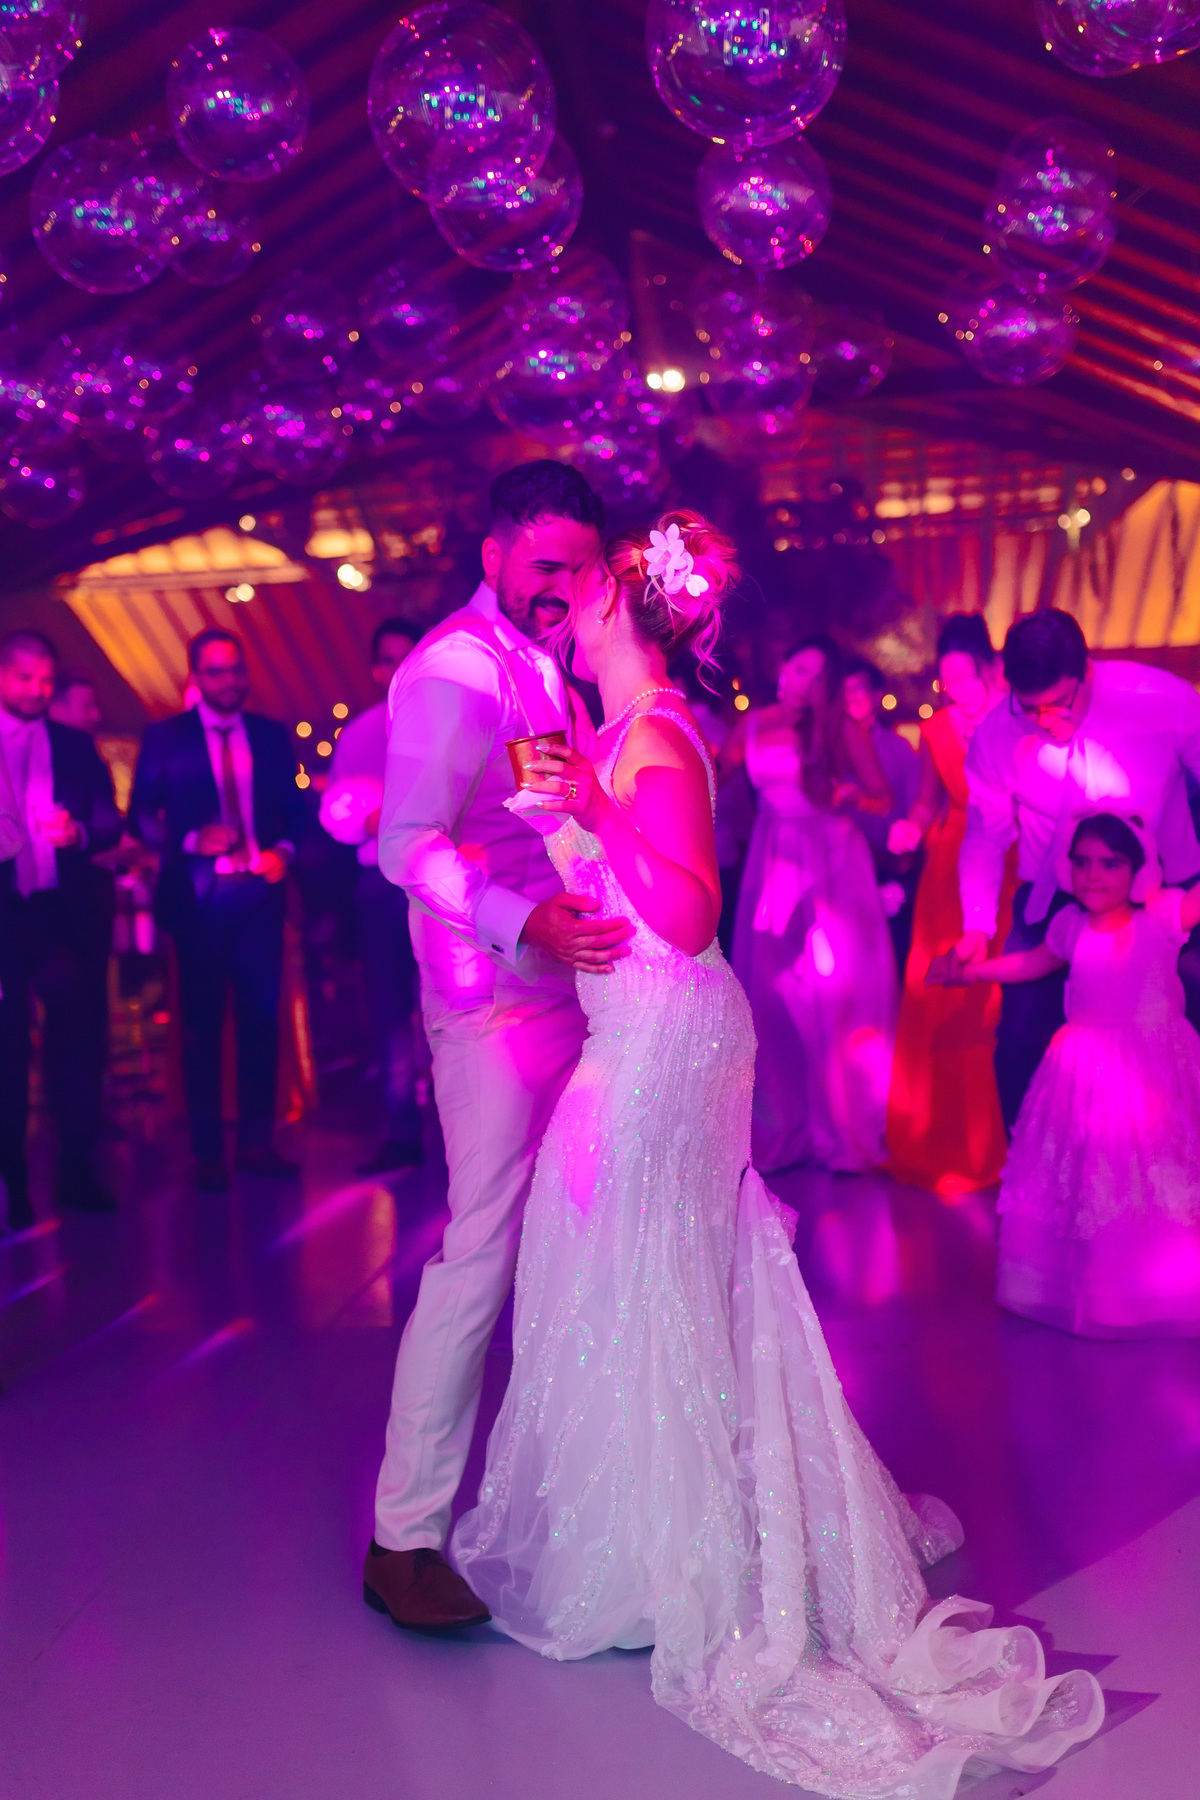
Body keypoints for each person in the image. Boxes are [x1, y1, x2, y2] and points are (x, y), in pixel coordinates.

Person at [451, 510, 1104, 1795]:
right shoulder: (617, 737)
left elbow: (689, 918)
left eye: (585, 601)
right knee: (639, 1272)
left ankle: (677, 1551)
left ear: (626, 620)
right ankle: (646, 1534)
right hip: (640, 1024)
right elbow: (626, 897)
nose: (569, 617)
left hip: (666, 1037)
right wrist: (555, 837)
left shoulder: (661, 741)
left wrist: (588, 808)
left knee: (639, 1267)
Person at [363, 460, 632, 1632]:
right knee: (478, 1254)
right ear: (491, 558)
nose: (560, 590)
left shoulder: (545, 660)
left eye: (578, 569)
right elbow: (401, 842)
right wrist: (524, 923)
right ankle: (402, 1540)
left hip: (571, 984)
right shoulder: (456, 674)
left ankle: (585, 1506)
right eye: (541, 570)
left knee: (589, 1239)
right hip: (490, 1002)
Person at [936, 810, 1200, 1337]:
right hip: (1084, 1072)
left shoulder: (1164, 917)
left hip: (1154, 1070)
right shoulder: (1071, 925)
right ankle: (1090, 1289)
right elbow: (1031, 963)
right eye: (1082, 862)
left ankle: (1161, 1287)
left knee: (1157, 1175)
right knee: (1090, 1179)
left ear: (1140, 871)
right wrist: (971, 972)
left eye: (1109, 863)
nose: (1093, 875)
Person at [957, 608, 1200, 1128]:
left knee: (1181, 1027)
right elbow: (986, 835)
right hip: (1057, 899)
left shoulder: (1161, 699)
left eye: (1059, 704)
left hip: (1167, 895)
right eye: (1030, 708)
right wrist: (976, 925)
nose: (1047, 721)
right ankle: (1033, 1173)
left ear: (1085, 670)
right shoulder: (997, 736)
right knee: (1021, 1034)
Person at [128, 628, 308, 1192]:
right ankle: (207, 1151)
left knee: (260, 1022)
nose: (228, 681)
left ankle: (256, 1142)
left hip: (257, 894)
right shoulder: (167, 737)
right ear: (196, 678)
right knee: (201, 1028)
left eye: (235, 670)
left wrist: (283, 852)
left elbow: (300, 812)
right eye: (215, 672)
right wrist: (185, 841)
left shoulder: (271, 736)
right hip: (199, 903)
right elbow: (139, 816)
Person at [724, 634, 897, 1173]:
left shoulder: (839, 726)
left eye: (815, 676)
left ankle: (845, 1129)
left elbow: (881, 797)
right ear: (784, 665)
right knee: (773, 996)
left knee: (839, 993)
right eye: (797, 668)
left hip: (832, 861)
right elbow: (713, 776)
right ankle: (787, 1127)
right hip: (773, 858)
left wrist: (848, 797)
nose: (801, 682)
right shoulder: (752, 724)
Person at [885, 615, 1014, 1195]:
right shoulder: (936, 729)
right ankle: (938, 1138)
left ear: (989, 669)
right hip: (948, 868)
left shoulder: (1017, 715)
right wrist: (908, 830)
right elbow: (925, 803)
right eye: (949, 680)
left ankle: (1000, 1142)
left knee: (998, 999)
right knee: (941, 993)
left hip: (1011, 857)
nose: (958, 690)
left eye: (967, 678)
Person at [0, 630, 121, 1220]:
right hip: (4, 914)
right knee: (6, 1046)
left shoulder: (73, 746)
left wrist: (79, 834)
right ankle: (14, 1186)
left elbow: (108, 822)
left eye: (45, 680)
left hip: (59, 912)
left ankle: (76, 1168)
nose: (37, 690)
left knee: (75, 1042)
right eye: (24, 678)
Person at [320, 617, 426, 1174]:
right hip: (382, 885)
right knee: (389, 1010)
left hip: (442, 882)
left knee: (451, 1004)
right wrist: (368, 819)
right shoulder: (361, 732)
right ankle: (402, 1126)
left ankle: (456, 1127)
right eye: (388, 659)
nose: (396, 669)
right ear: (375, 667)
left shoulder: (449, 723)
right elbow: (337, 816)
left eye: (406, 657)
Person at [843, 654, 920, 971]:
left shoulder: (898, 748)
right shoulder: (829, 749)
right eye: (844, 691)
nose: (851, 697)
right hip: (843, 865)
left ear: (876, 695)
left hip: (887, 864)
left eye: (859, 689)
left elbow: (913, 805)